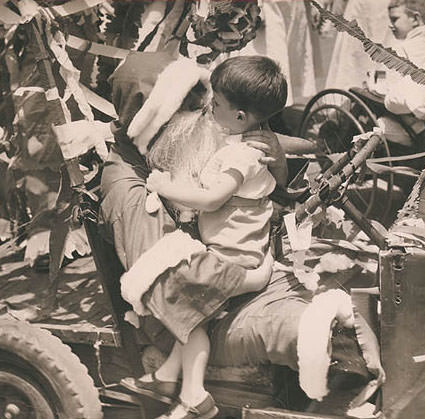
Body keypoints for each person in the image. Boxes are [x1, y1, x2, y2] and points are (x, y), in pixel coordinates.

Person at [123, 56, 288, 418]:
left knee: (188, 310)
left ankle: (194, 394)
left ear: (240, 116)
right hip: (238, 251)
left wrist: (168, 187)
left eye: (216, 104)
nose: (209, 108)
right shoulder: (253, 145)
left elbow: (212, 199)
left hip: (230, 259)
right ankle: (168, 375)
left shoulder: (241, 156)